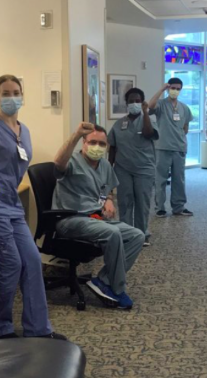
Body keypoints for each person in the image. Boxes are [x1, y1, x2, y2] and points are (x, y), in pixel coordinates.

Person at [0, 74, 64, 341]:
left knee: (31, 261)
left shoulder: (24, 129)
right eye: (5, 93)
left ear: (22, 96)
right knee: (10, 265)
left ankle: (39, 329)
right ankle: (0, 329)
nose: (11, 97)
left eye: (15, 92)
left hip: (10, 204)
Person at [53, 123, 145, 309]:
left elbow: (106, 190)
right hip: (70, 219)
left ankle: (103, 280)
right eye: (92, 142)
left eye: (101, 144)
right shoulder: (72, 161)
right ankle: (117, 289)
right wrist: (76, 134)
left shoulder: (104, 165)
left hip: (94, 218)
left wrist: (109, 200)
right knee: (112, 233)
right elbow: (58, 164)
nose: (97, 147)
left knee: (137, 236)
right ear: (83, 144)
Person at [108, 87, 158, 246]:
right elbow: (113, 147)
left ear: (142, 102)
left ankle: (142, 234)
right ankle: (126, 233)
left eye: (138, 101)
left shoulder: (149, 119)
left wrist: (145, 113)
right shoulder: (119, 123)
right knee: (124, 202)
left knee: (142, 202)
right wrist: (109, 170)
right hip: (123, 169)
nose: (134, 103)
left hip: (144, 169)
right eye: (131, 101)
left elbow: (149, 133)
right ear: (126, 103)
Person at [149, 78, 194, 217]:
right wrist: (161, 89)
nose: (175, 90)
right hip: (163, 147)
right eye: (172, 88)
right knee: (160, 179)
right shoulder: (161, 104)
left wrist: (177, 137)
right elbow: (150, 107)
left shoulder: (184, 108)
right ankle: (160, 208)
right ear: (168, 88)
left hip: (179, 148)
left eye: (178, 88)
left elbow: (185, 128)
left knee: (179, 179)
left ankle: (178, 207)